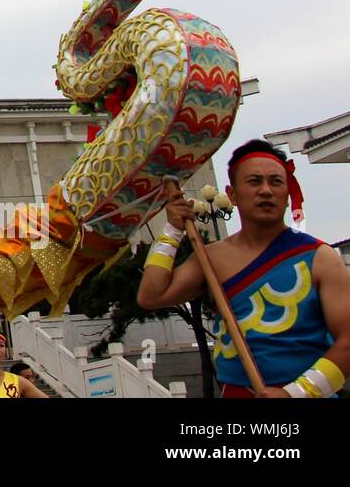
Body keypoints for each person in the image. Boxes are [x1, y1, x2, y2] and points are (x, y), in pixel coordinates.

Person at [137, 139, 350, 398]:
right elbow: (151, 295)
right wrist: (171, 231)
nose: (266, 190)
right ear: (233, 194)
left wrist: (294, 393)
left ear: (287, 192)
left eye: (276, 182)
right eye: (254, 181)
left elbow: (348, 342)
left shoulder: (320, 258)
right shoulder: (211, 258)